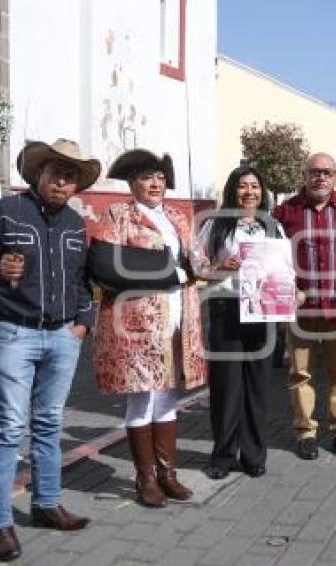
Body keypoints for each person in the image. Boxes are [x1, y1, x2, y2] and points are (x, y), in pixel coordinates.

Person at [0, 139, 98, 561]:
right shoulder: (3, 212)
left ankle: (46, 504)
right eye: (56, 172)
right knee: (8, 427)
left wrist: (83, 322)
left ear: (76, 185)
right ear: (39, 173)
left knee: (49, 423)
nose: (62, 181)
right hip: (14, 332)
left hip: (63, 335)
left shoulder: (76, 224)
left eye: (70, 176)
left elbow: (82, 279)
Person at [90, 149, 207, 507]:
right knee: (142, 396)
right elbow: (107, 268)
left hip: (178, 317)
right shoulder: (118, 215)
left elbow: (194, 261)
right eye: (146, 177)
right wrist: (170, 271)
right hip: (138, 323)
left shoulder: (177, 217)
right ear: (132, 183)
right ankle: (145, 478)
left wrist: (216, 263)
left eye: (159, 177)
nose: (155, 183)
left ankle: (168, 473)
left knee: (169, 394)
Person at [191, 165, 286, 479]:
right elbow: (196, 264)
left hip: (263, 311)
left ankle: (254, 456)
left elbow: (286, 268)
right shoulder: (216, 225)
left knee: (257, 388)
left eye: (255, 186)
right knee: (226, 387)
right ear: (233, 190)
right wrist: (220, 265)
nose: (250, 192)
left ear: (263, 192)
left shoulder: (272, 227)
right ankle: (223, 455)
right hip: (227, 310)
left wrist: (293, 293)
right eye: (243, 186)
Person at [273, 153, 336, 460]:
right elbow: (272, 258)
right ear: (305, 174)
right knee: (301, 374)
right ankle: (306, 432)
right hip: (300, 309)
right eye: (314, 172)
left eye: (327, 172)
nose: (320, 177)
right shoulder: (285, 212)